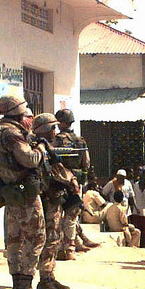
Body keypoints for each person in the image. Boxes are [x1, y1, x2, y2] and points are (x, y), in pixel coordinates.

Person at [0, 93, 50, 289]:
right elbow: (29, 159)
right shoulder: (12, 133)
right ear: (17, 111)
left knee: (15, 239)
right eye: (26, 113)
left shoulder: (0, 131)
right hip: (24, 193)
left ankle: (18, 286)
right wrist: (41, 148)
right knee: (36, 236)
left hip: (12, 192)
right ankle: (25, 285)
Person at [29, 112, 72, 289]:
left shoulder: (45, 147)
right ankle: (44, 279)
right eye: (52, 127)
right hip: (45, 198)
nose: (56, 131)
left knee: (54, 237)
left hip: (52, 198)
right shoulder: (37, 149)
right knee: (46, 239)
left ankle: (49, 276)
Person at [52, 108, 95, 259]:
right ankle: (70, 249)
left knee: (56, 215)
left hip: (58, 181)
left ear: (60, 122)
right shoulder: (80, 140)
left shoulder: (55, 140)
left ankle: (58, 248)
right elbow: (87, 163)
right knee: (71, 216)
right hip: (76, 182)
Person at [130, 165, 145, 248]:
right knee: (136, 232)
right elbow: (132, 197)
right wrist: (135, 207)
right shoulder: (135, 185)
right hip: (136, 212)